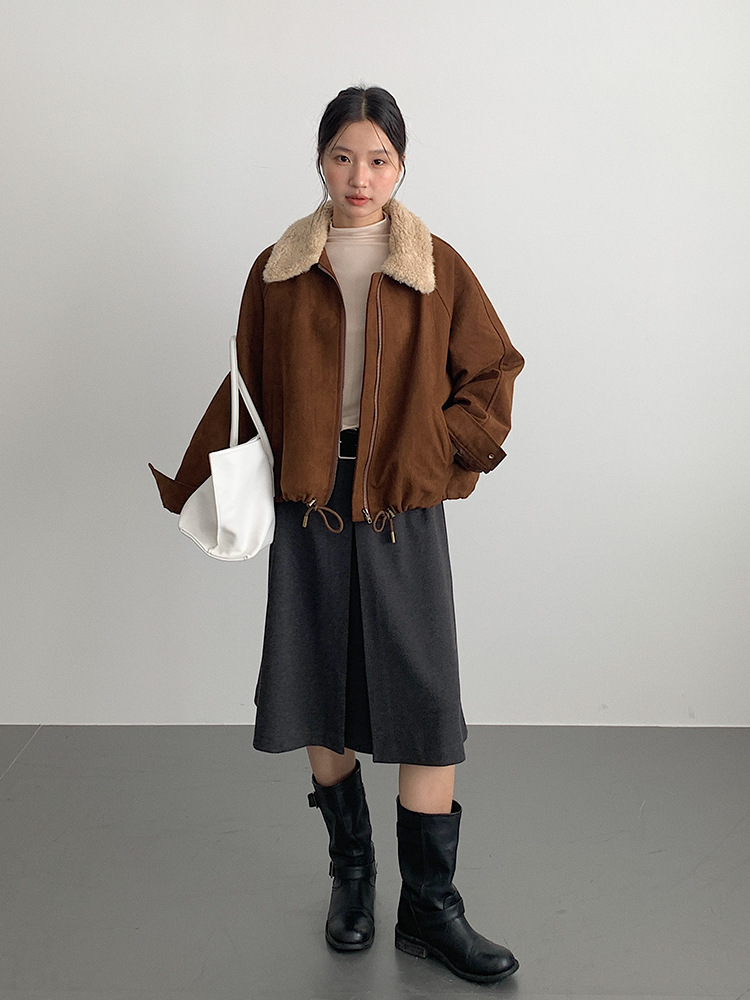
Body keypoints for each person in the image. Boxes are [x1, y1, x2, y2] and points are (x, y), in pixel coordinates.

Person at [150, 85, 524, 985]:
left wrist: (436, 452)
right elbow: (248, 385)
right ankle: (352, 875)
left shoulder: (436, 265)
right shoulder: (278, 269)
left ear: (402, 166)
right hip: (311, 503)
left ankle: (431, 909)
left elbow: (491, 372)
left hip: (401, 505)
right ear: (320, 161)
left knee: (426, 702)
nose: (361, 176)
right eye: (344, 156)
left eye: (379, 159)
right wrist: (204, 480)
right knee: (317, 682)